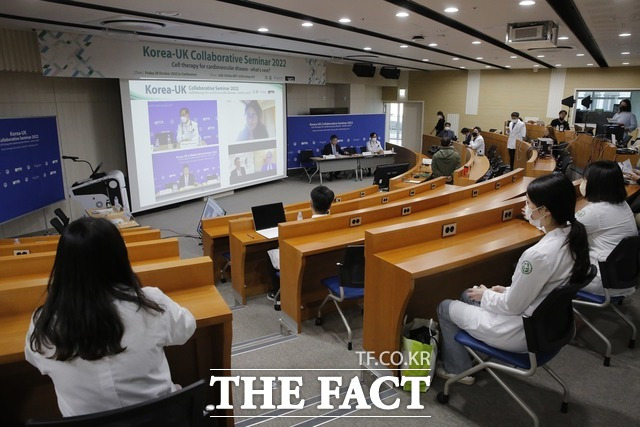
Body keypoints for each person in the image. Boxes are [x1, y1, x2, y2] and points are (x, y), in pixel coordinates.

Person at [24, 217, 196, 417]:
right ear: (120, 257)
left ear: (63, 265)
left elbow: (34, 359)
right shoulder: (149, 303)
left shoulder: (44, 323)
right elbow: (187, 328)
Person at [436, 173, 590, 383]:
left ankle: (457, 370)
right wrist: (503, 291)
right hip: (550, 325)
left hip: (523, 331)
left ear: (545, 210)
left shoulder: (537, 255)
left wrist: (487, 294)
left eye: (529, 203)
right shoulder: (573, 236)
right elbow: (542, 292)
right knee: (467, 295)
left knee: (445, 307)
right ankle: (472, 355)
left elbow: (512, 307)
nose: (526, 208)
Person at [267, 185, 335, 309]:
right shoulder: (337, 223)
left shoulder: (302, 228)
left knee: (271, 253)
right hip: (327, 266)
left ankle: (278, 295)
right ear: (330, 206)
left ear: (311, 204)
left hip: (302, 267)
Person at [577, 161, 637, 297]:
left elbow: (561, 232)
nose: (583, 183)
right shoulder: (622, 204)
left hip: (602, 280)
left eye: (585, 180)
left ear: (596, 185)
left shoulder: (595, 212)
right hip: (624, 277)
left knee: (550, 264)